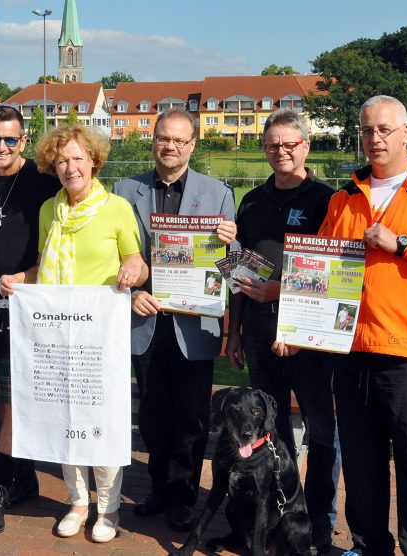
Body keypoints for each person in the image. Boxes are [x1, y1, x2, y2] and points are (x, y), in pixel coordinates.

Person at [276, 95, 407, 555]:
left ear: (406, 132)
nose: (375, 139)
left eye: (385, 129)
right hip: (351, 354)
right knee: (363, 470)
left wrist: (404, 244)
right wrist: (295, 325)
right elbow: (321, 273)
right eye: (367, 130)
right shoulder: (345, 198)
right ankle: (369, 548)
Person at [0, 124, 147, 543]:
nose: (70, 167)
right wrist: (17, 279)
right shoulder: (49, 210)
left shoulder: (116, 208)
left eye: (78, 159)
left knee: (103, 421)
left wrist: (133, 270)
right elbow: (41, 267)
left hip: (101, 337)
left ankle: (109, 508)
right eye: (62, 160)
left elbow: (136, 260)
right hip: (55, 335)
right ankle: (78, 502)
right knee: (63, 417)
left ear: (94, 161)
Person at [223, 108, 341, 553]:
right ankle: (277, 516)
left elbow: (335, 274)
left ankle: (320, 524)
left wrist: (283, 293)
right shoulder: (252, 201)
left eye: (290, 143)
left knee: (321, 431)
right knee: (272, 435)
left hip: (309, 337)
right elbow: (239, 269)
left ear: (306, 146)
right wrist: (233, 333)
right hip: (257, 334)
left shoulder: (327, 199)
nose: (281, 151)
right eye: (273, 144)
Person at [113, 108, 236, 532]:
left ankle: (184, 497)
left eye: (180, 141)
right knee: (151, 414)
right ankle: (159, 488)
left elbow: (230, 268)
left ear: (193, 144)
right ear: (154, 140)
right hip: (144, 320)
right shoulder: (125, 190)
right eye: (164, 138)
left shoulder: (218, 193)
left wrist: (230, 246)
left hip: (193, 324)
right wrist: (131, 292)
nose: (171, 147)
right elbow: (114, 256)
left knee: (190, 417)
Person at [0, 106, 60, 536]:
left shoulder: (44, 183)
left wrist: (26, 277)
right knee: (4, 397)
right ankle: (24, 477)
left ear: (23, 141)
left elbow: (59, 245)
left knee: (14, 400)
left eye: (10, 140)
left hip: (28, 299)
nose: (1, 147)